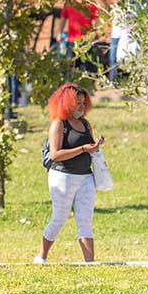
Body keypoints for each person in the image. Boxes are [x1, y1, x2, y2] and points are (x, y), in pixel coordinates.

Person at [35, 82, 103, 264]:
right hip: (63, 176)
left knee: (85, 220)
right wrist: (82, 149)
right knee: (59, 218)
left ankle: (90, 262)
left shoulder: (85, 124)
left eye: (83, 103)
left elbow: (88, 147)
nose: (81, 107)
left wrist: (94, 148)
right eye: (77, 103)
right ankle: (42, 256)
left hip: (85, 177)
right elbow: (56, 154)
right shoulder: (59, 124)